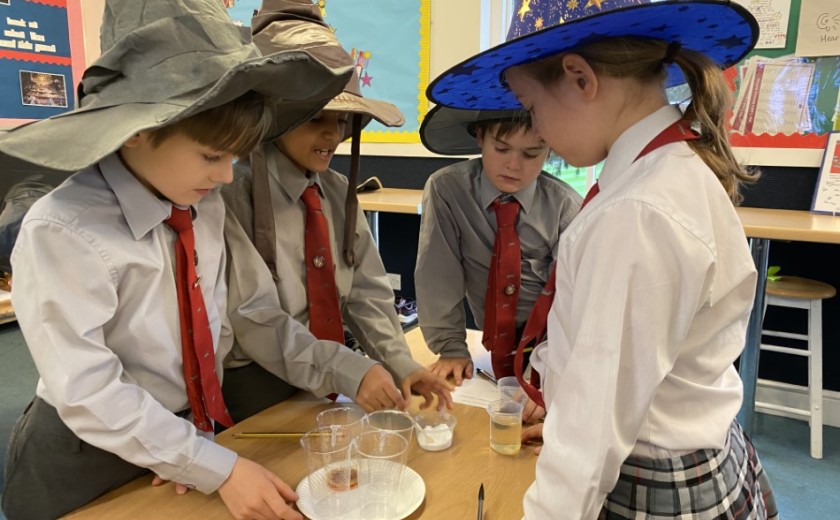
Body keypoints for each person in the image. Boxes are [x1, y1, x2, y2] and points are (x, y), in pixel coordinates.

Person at [426, 0, 779, 518]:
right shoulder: (661, 173)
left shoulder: (637, 212)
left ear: (579, 78)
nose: (538, 131)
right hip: (678, 445)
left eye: (532, 106)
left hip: (649, 477)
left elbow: (590, 441)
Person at [0, 1, 353, 519]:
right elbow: (89, 390)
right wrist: (213, 466)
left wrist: (342, 368)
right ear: (137, 129)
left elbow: (249, 312)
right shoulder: (63, 229)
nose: (227, 177)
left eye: (234, 159)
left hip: (180, 436)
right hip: (86, 456)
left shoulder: (201, 203)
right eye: (212, 156)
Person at [221, 0, 453, 421]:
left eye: (344, 119)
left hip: (330, 381)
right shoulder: (231, 198)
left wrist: (401, 363)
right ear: (272, 119)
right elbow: (253, 318)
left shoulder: (336, 191)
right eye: (315, 119)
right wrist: (347, 369)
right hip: (255, 390)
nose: (334, 133)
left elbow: (366, 291)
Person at [415, 105, 581, 400]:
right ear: (479, 136)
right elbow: (438, 273)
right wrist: (451, 347)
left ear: (550, 150)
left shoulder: (566, 208)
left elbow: (572, 304)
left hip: (552, 344)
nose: (513, 166)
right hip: (490, 348)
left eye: (531, 154)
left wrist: (549, 370)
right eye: (502, 149)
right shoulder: (448, 190)